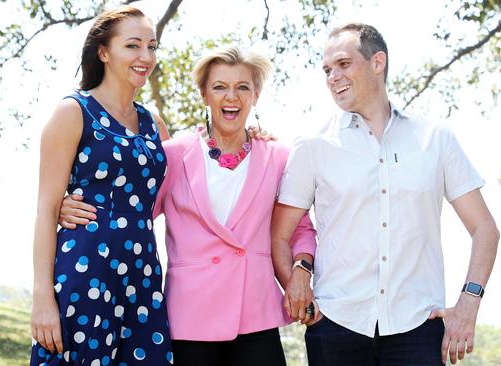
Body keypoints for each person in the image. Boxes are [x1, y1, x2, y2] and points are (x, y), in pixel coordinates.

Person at [59, 46, 317, 366]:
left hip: (255, 315)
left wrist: (301, 269)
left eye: (242, 87)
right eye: (219, 87)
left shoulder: (279, 157)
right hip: (190, 318)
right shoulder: (173, 154)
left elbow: (300, 228)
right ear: (204, 95)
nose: (231, 97)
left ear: (256, 95)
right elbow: (132, 212)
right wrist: (70, 205)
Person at [271, 23, 500, 366]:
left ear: (378, 63)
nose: (333, 76)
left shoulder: (435, 139)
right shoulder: (313, 145)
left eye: (344, 64)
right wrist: (299, 292)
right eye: (327, 70)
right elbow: (279, 236)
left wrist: (469, 302)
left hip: (419, 328)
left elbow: (485, 229)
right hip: (335, 326)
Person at [30, 6, 173, 365]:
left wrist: (249, 139)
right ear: (104, 52)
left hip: (141, 276)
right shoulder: (73, 111)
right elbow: (46, 211)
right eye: (133, 46)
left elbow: (185, 188)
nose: (146, 57)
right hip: (85, 270)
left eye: (152, 47)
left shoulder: (154, 123)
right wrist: (42, 299)